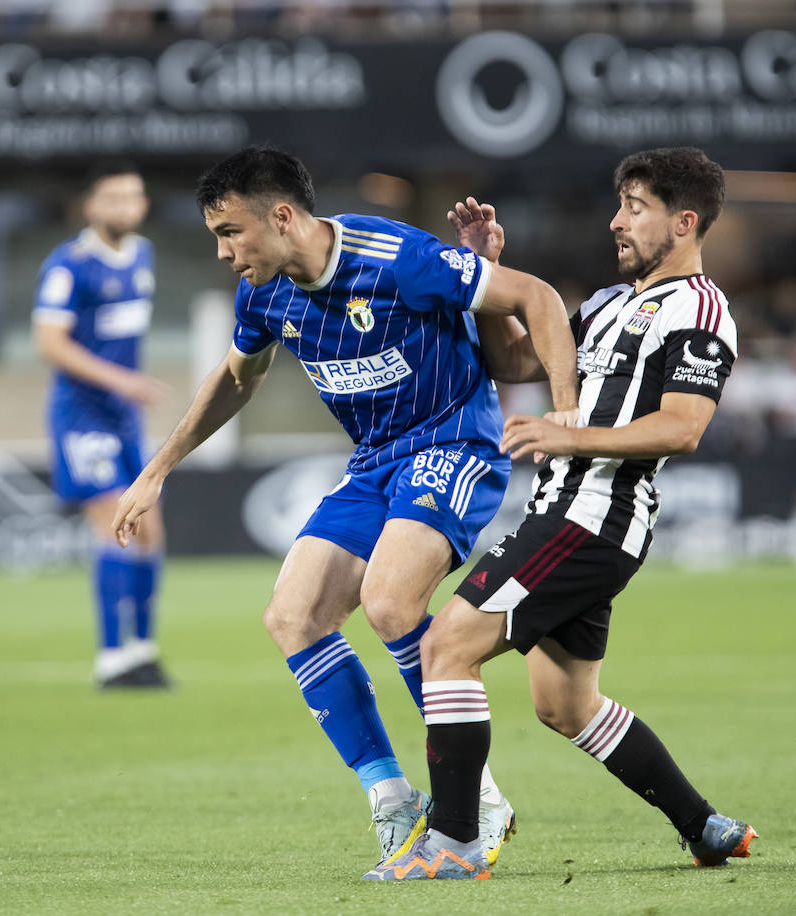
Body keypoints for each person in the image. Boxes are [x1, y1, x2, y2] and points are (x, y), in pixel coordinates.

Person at [112, 145, 579, 870]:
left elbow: (536, 298)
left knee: (392, 602)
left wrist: (568, 412)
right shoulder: (264, 292)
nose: (222, 251)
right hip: (373, 462)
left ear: (285, 216)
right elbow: (238, 378)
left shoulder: (395, 257)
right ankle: (392, 802)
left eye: (231, 232)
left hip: (452, 440)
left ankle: (477, 796)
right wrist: (157, 471)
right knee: (291, 615)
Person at [368, 147, 757, 881]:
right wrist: (481, 279)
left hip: (592, 517)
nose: (617, 221)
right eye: (619, 205)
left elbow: (683, 427)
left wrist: (569, 433)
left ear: (684, 221)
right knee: (566, 705)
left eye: (634, 208)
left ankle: (453, 842)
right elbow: (515, 362)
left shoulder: (700, 311)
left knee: (446, 647)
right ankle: (703, 826)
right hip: (568, 511)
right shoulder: (610, 304)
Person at [33, 161, 171, 689]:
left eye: (133, 197)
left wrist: (127, 390)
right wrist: (122, 380)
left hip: (125, 415)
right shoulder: (69, 265)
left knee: (150, 528)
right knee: (113, 526)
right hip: (83, 416)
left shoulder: (143, 255)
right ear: (90, 206)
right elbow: (49, 343)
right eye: (112, 199)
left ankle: (143, 649)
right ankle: (111, 659)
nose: (125, 207)